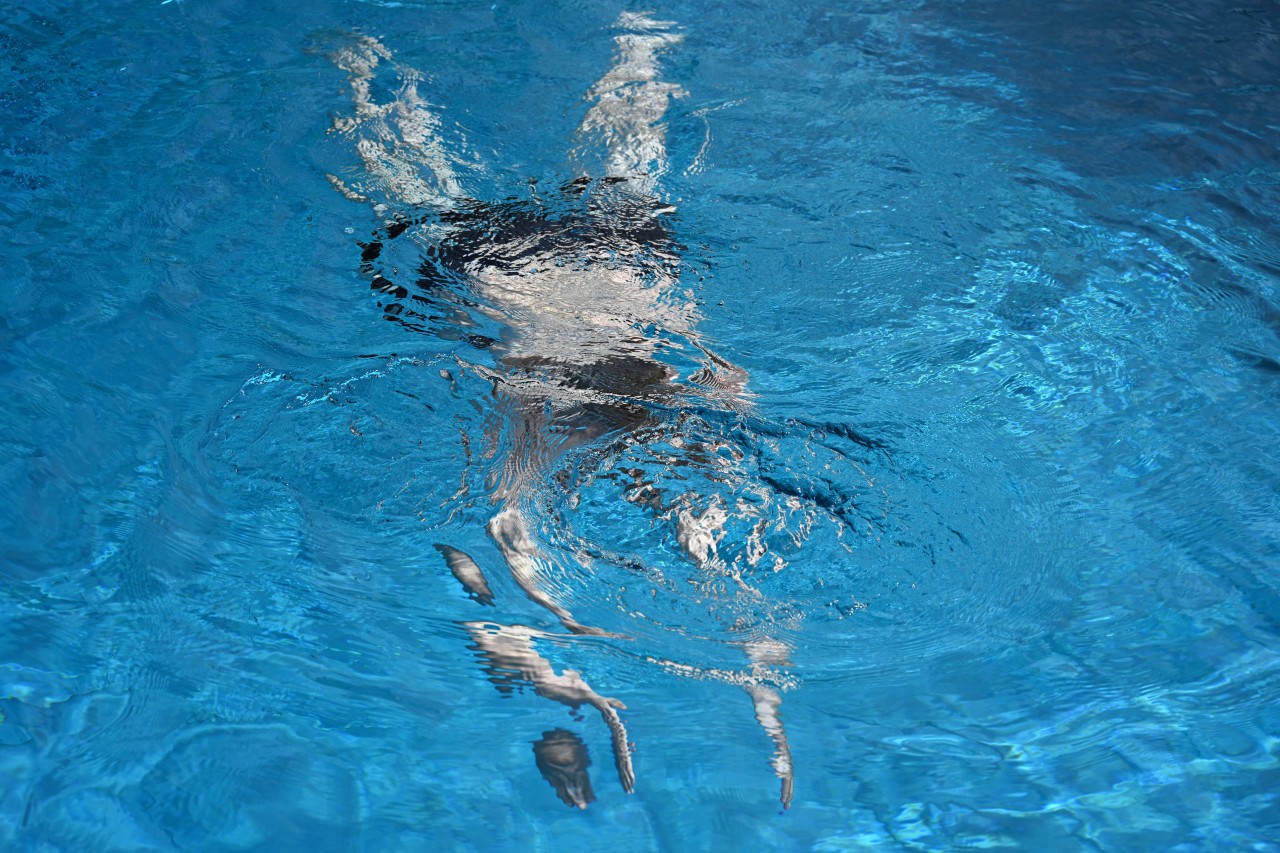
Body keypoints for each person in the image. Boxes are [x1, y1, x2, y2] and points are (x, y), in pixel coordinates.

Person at [326, 14, 795, 808]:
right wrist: (756, 692)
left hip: (618, 271)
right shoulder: (565, 412)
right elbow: (511, 520)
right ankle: (364, 84)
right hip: (512, 280)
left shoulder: (673, 398)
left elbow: (722, 394)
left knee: (622, 174)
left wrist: (759, 689)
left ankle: (632, 49)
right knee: (419, 187)